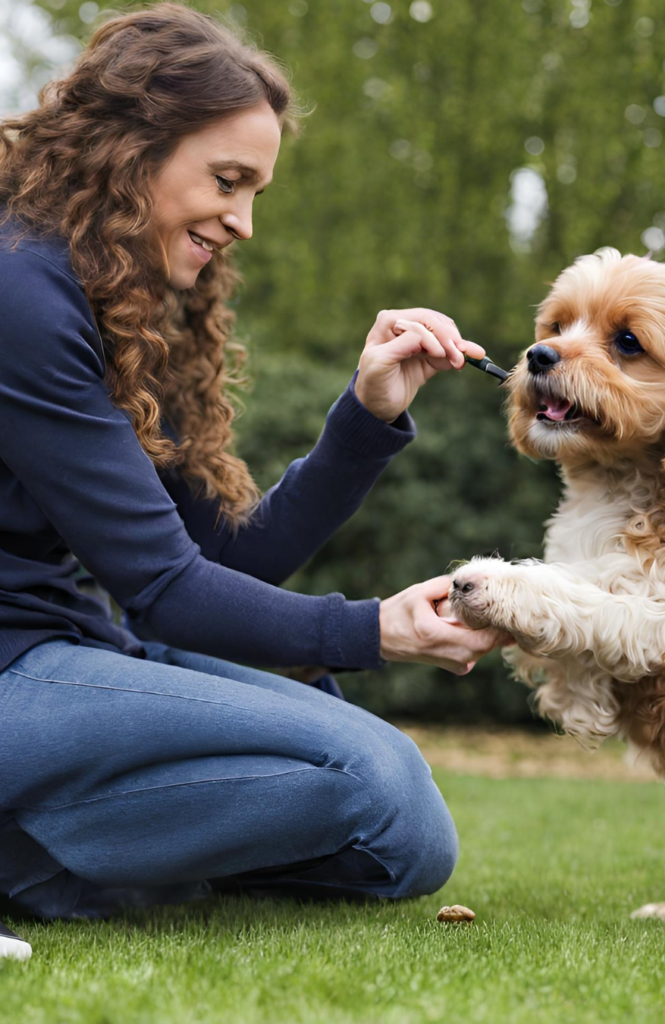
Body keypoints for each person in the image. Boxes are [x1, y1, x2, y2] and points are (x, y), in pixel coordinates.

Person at [0, 2, 511, 956]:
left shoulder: (125, 301)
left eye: (255, 193)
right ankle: (37, 861)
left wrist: (368, 415)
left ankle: (58, 859)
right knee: (375, 785)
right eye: (227, 182)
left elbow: (225, 553)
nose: (239, 221)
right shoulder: (22, 293)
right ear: (128, 149)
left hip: (68, 646)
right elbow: (163, 591)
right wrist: (373, 629)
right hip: (14, 675)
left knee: (409, 841)